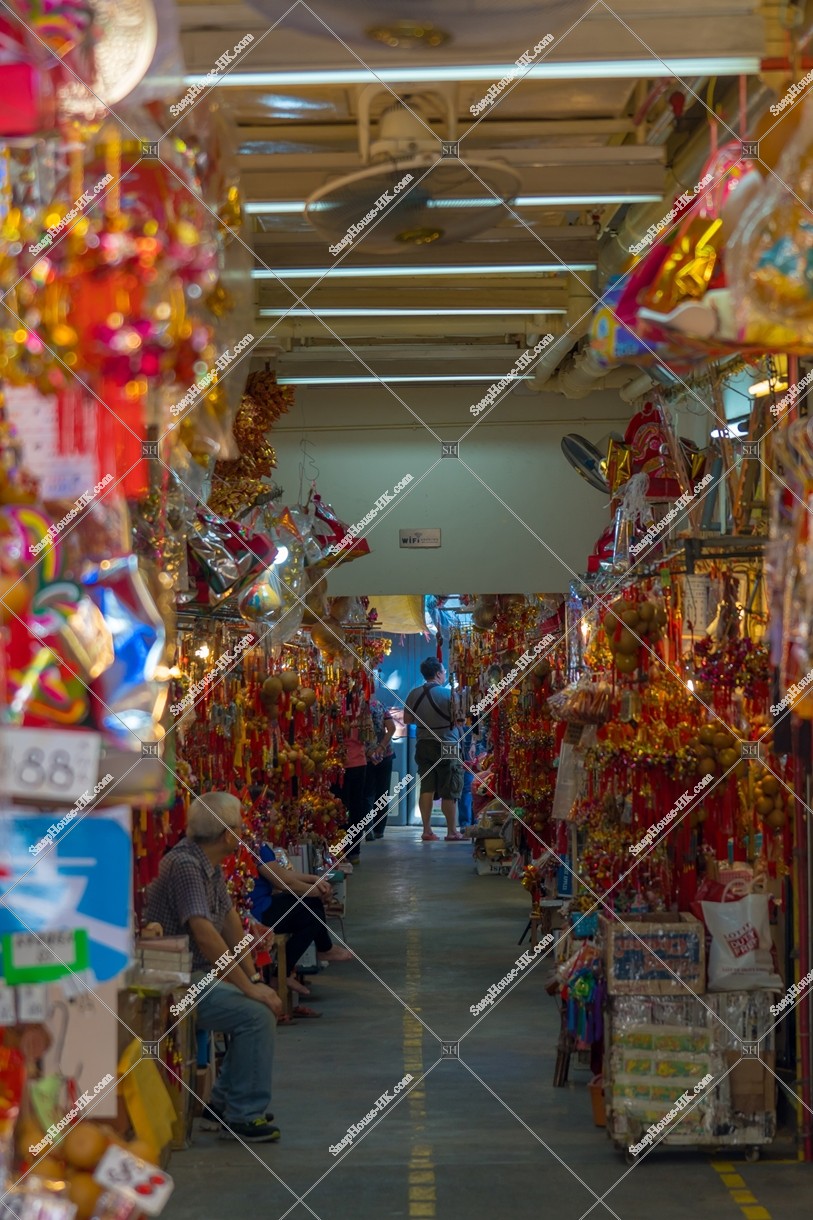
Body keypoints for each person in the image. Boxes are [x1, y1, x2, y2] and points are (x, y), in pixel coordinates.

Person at [142, 792, 282, 1143]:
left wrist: (252, 976)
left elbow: (230, 924)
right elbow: (205, 935)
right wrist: (250, 988)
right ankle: (242, 1114)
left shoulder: (207, 863)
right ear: (226, 835)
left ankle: (223, 1103)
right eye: (239, 828)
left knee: (255, 1006)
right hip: (175, 979)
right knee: (256, 1015)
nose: (243, 833)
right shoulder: (186, 866)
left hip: (196, 973)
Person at [250, 806, 353, 990]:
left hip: (262, 905)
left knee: (310, 906)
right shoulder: (254, 845)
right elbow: (283, 882)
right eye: (273, 808)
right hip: (257, 913)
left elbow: (283, 875)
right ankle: (287, 971)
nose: (277, 813)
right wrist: (316, 891)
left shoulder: (257, 844)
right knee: (310, 912)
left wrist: (313, 881)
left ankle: (300, 963)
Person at [404, 658, 466, 841]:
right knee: (450, 786)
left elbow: (407, 720)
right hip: (448, 743)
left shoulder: (413, 694)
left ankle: (427, 830)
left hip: (423, 743)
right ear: (438, 673)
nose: (445, 673)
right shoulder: (448, 694)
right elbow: (459, 720)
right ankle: (452, 831)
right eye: (444, 671)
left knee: (427, 787)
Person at [364, 694, 396, 840]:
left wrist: (369, 750)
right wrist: (382, 747)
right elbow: (391, 728)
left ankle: (367, 826)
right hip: (385, 754)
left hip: (365, 757)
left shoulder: (355, 708)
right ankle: (379, 829)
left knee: (367, 793)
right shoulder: (380, 705)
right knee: (382, 793)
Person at [455, 714, 477, 830]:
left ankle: (467, 823)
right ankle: (470, 823)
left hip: (469, 740)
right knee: (469, 787)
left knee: (468, 787)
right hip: (468, 740)